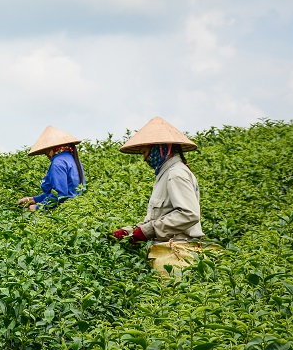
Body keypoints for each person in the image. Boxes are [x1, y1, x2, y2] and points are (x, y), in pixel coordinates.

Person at [110, 116, 211, 277]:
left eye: (145, 151)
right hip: (167, 251)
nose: (144, 158)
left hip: (178, 254)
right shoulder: (165, 175)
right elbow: (159, 217)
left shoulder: (175, 174)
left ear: (162, 148)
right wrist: (129, 232)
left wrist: (148, 230)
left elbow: (189, 214)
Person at [18, 126, 85, 211]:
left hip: (63, 211)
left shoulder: (58, 163)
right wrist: (33, 199)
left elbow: (60, 195)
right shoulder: (74, 160)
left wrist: (37, 207)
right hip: (77, 207)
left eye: (46, 152)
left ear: (52, 149)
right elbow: (65, 191)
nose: (46, 155)